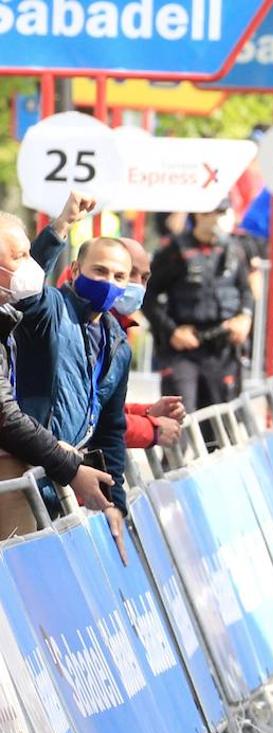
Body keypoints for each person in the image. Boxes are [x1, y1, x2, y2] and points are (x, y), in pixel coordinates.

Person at [14, 196, 132, 560]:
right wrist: (60, 226)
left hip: (63, 486)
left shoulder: (119, 345)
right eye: (99, 271)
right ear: (77, 271)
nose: (108, 282)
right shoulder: (49, 310)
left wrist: (115, 502)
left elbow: (111, 429)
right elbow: (26, 284)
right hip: (23, 473)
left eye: (119, 277)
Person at [142, 200, 255, 417]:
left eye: (224, 212)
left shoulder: (235, 249)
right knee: (179, 421)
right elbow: (149, 295)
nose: (220, 219)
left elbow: (246, 291)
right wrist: (171, 331)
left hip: (222, 350)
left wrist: (245, 318)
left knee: (220, 424)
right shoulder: (175, 249)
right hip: (184, 348)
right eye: (216, 212)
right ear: (200, 215)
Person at [115, 238, 184, 449]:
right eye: (127, 273)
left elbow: (103, 410)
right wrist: (150, 429)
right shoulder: (75, 326)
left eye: (144, 278)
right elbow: (85, 423)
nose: (137, 284)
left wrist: (146, 413)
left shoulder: (114, 330)